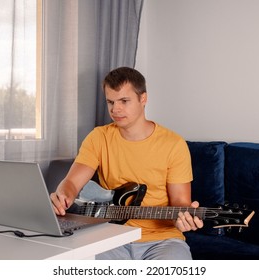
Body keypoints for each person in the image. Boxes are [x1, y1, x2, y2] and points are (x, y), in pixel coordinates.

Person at [50, 67, 203, 260]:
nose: (115, 109)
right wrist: (64, 194)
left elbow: (180, 203)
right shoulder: (98, 137)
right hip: (109, 236)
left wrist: (184, 218)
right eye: (110, 102)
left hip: (162, 241)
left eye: (124, 101)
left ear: (143, 99)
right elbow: (72, 182)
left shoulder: (174, 144)